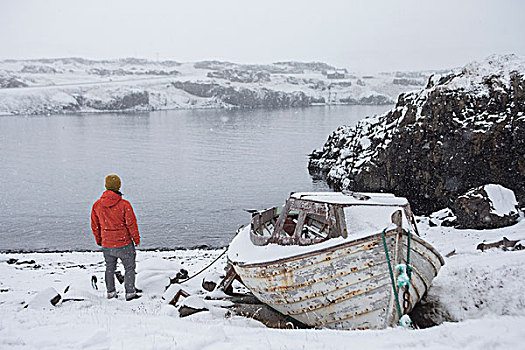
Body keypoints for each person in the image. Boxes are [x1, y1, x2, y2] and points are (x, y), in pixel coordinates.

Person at [91, 174, 141, 301]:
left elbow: (95, 226)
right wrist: (136, 239)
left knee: (109, 268)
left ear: (106, 186)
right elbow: (131, 224)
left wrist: (99, 240)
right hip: (124, 243)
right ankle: (130, 292)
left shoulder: (97, 205)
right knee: (129, 268)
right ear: (119, 186)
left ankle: (110, 292)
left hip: (107, 244)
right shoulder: (125, 205)